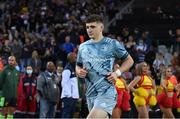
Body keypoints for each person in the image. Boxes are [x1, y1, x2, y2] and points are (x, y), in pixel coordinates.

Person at [75, 14, 134, 118]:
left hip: (107, 92)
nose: (89, 30)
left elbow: (129, 60)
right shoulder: (83, 47)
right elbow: (78, 66)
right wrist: (79, 71)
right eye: (87, 27)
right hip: (90, 93)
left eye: (93, 27)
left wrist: (117, 73)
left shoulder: (112, 44)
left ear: (101, 27)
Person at [61, 52, 79, 118]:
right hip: (68, 97)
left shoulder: (72, 68)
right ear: (71, 59)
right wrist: (69, 95)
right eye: (75, 58)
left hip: (73, 97)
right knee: (66, 115)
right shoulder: (67, 69)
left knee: (71, 115)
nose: (76, 59)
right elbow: (64, 83)